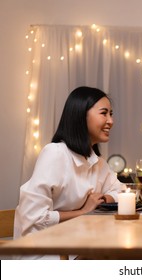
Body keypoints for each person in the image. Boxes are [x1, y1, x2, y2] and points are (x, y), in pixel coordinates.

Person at [13, 86, 124, 258]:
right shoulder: (55, 154)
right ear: (81, 115)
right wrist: (84, 211)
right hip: (45, 254)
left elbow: (123, 192)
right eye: (104, 113)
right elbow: (34, 218)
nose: (111, 121)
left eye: (111, 114)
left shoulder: (97, 162)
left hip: (77, 247)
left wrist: (102, 199)